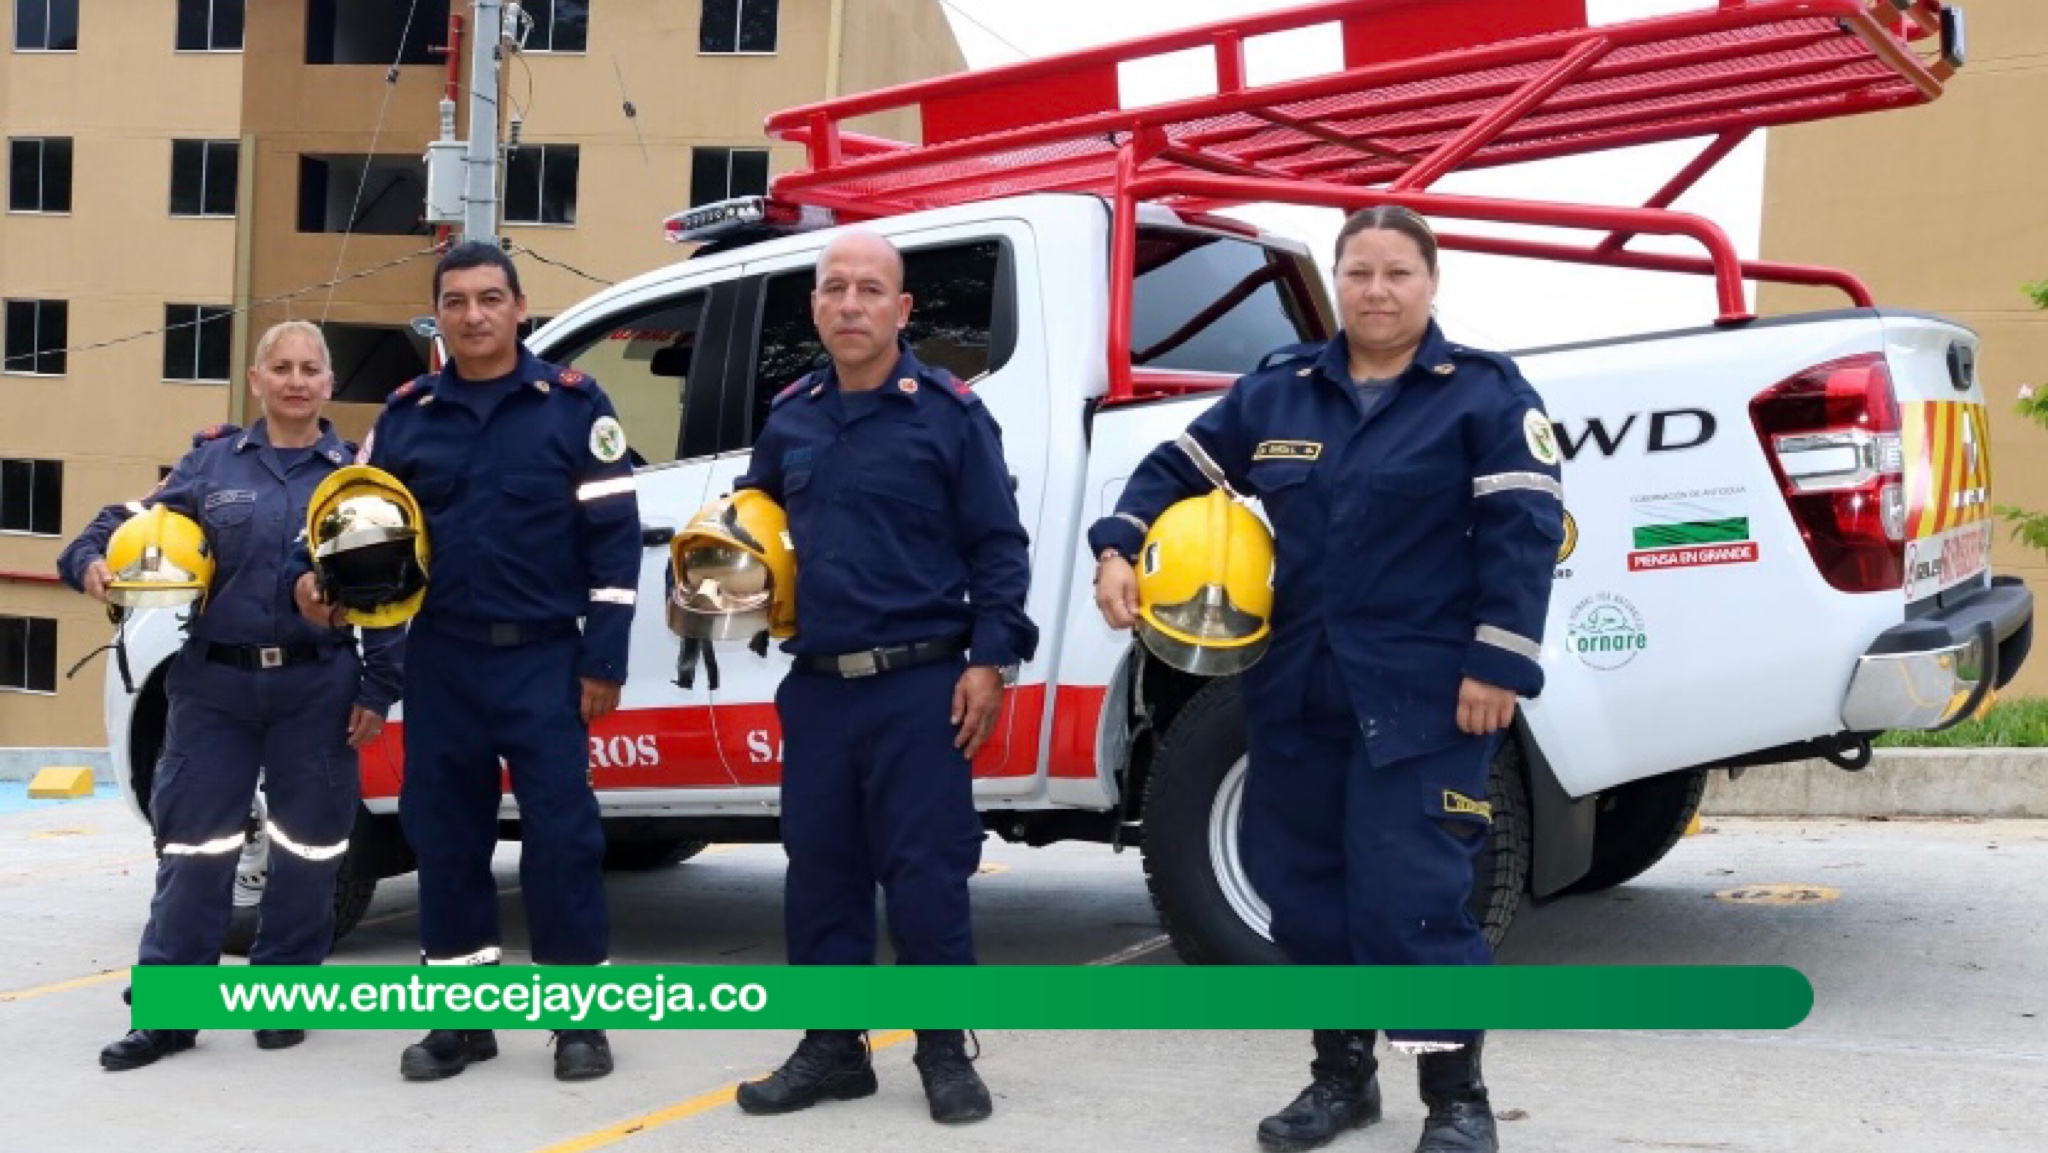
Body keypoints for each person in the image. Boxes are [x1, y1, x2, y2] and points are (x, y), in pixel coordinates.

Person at [1090, 206, 1564, 1153]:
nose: (1377, 291)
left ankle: (1455, 1097)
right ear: (1337, 282)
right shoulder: (1279, 392)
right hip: (1298, 691)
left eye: (1397, 273)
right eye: (1359, 273)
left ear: (1432, 284)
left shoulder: (1482, 395)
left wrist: (1499, 661)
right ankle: (1340, 1075)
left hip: (1427, 696)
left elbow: (1527, 530)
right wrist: (1118, 546)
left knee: (1417, 897)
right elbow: (1173, 467)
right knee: (1304, 893)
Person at [294, 242, 640, 1082]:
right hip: (443, 660)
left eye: (491, 299)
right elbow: (362, 524)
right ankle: (462, 1017)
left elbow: (616, 541)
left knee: (562, 838)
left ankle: (577, 1019)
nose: (475, 315)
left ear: (520, 307)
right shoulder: (408, 415)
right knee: (445, 837)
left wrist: (604, 658)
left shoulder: (572, 406)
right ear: (439, 316)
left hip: (546, 660)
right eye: (456, 301)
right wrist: (323, 580)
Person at [728, 231, 1037, 1125]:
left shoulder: (948, 413)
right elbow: (754, 540)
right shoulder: (789, 417)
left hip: (922, 684)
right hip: (820, 686)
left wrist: (991, 658)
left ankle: (944, 1051)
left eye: (871, 289)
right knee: (819, 869)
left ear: (903, 311)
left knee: (926, 873)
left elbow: (998, 547)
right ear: (816, 308)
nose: (851, 303)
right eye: (835, 289)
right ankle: (832, 1048)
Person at [58, 320, 402, 1071]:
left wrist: (378, 687)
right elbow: (123, 521)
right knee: (193, 849)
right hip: (212, 684)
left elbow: (389, 588)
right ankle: (170, 1014)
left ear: (329, 382)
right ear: (256, 380)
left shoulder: (353, 478)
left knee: (310, 852)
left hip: (317, 683)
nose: (296, 380)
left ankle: (282, 999)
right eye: (281, 367)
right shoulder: (209, 463)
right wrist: (86, 558)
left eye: (311, 368)